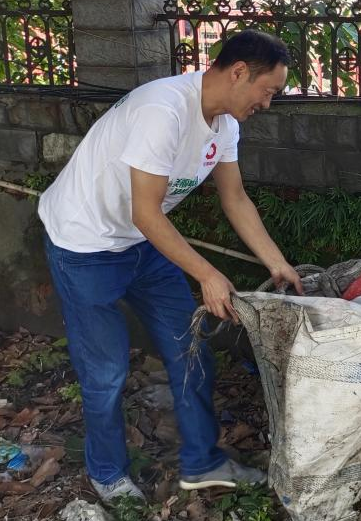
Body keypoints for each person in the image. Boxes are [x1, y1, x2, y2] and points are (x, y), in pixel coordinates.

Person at [38, 30, 303, 503]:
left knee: (190, 349)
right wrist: (207, 274)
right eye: (268, 90)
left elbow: (235, 198)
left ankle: (202, 462)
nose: (267, 103)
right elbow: (146, 211)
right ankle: (107, 473)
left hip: (143, 242)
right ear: (239, 72)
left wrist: (277, 262)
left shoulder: (225, 125)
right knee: (106, 371)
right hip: (84, 244)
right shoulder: (163, 110)